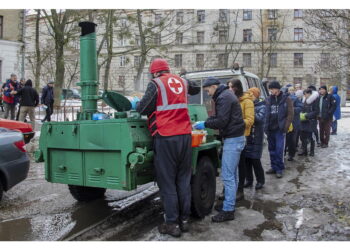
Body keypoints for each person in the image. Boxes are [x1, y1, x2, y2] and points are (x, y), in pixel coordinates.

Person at [135, 58, 200, 237]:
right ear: (167, 70)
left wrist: (137, 104)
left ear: (155, 72)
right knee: (183, 180)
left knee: (167, 182)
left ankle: (171, 224)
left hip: (166, 136)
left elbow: (142, 109)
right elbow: (196, 87)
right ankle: (184, 221)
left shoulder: (156, 84)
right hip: (185, 136)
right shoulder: (181, 81)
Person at [194, 76, 245, 222]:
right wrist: (208, 121)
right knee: (233, 176)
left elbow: (221, 121)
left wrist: (204, 124)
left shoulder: (224, 97)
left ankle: (228, 210)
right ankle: (229, 204)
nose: (207, 93)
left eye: (208, 90)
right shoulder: (226, 95)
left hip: (233, 139)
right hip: (236, 138)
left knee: (228, 176)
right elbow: (220, 117)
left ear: (214, 87)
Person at [227, 79, 254, 201]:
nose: (229, 89)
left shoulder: (247, 102)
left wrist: (235, 123)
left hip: (242, 136)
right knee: (229, 166)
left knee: (240, 164)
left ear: (237, 88)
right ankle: (227, 190)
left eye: (231, 87)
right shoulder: (230, 100)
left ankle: (240, 190)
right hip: (230, 136)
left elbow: (250, 120)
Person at [265, 81, 294, 178]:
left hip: (280, 129)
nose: (271, 91)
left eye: (272, 89)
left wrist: (285, 126)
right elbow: (266, 114)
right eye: (270, 89)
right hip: (270, 128)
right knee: (271, 149)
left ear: (277, 89)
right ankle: (273, 167)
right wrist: (266, 127)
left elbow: (290, 114)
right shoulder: (268, 99)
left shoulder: (286, 99)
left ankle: (279, 168)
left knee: (279, 149)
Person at [244, 87, 266, 190]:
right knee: (247, 160)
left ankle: (260, 180)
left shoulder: (262, 106)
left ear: (256, 95)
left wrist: (249, 113)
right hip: (247, 137)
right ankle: (249, 180)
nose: (249, 96)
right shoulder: (248, 105)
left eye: (251, 94)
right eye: (248, 94)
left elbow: (260, 119)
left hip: (256, 138)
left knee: (255, 161)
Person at [299, 89, 319, 156]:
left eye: (306, 94)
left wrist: (307, 115)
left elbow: (316, 111)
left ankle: (312, 151)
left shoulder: (315, 100)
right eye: (304, 94)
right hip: (303, 121)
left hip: (311, 121)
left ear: (310, 94)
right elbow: (302, 108)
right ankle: (304, 150)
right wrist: (301, 113)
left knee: (311, 137)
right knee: (302, 137)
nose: (305, 95)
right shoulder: (304, 100)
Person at [285, 86, 303, 161]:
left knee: (293, 139)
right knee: (285, 139)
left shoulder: (296, 99)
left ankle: (291, 155)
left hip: (294, 122)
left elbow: (300, 108)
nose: (291, 91)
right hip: (286, 122)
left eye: (292, 90)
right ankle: (283, 153)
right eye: (290, 90)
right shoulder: (284, 98)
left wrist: (292, 109)